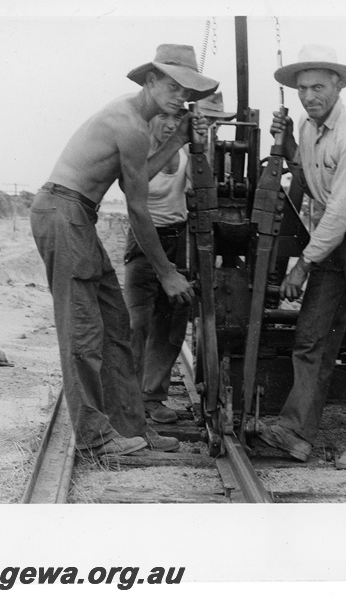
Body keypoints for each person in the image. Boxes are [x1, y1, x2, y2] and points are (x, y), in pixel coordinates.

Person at [29, 44, 217, 457]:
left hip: (79, 215)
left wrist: (177, 140)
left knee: (115, 324)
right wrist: (167, 272)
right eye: (172, 86)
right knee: (83, 331)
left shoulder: (135, 123)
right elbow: (137, 207)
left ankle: (131, 429)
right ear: (149, 81)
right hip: (64, 213)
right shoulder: (129, 124)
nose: (180, 97)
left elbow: (138, 177)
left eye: (185, 91)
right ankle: (95, 441)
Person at [258, 44, 346, 469]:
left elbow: (341, 209)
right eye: (302, 88)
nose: (308, 96)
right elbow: (304, 175)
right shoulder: (306, 126)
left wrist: (303, 264)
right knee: (312, 332)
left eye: (318, 87)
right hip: (336, 229)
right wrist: (281, 142)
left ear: (338, 86)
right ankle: (295, 432)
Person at [123, 92, 236, 424]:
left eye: (176, 120)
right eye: (164, 118)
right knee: (137, 323)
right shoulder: (139, 150)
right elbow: (135, 196)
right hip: (144, 243)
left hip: (179, 240)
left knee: (172, 325)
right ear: (151, 120)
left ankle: (152, 397)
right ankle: (129, 402)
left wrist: (200, 147)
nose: (170, 125)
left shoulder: (186, 153)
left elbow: (203, 190)